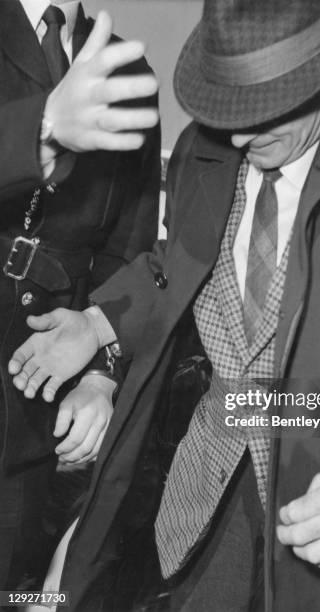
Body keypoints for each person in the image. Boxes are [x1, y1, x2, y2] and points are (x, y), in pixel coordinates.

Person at [8, 1, 320, 611]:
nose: (243, 136)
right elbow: (184, 262)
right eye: (230, 112)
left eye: (266, 112)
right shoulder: (206, 149)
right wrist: (100, 322)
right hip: (200, 502)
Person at [0, 0, 159, 593]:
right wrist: (41, 125)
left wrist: (100, 373)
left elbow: (130, 246)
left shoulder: (128, 71)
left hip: (35, 408)